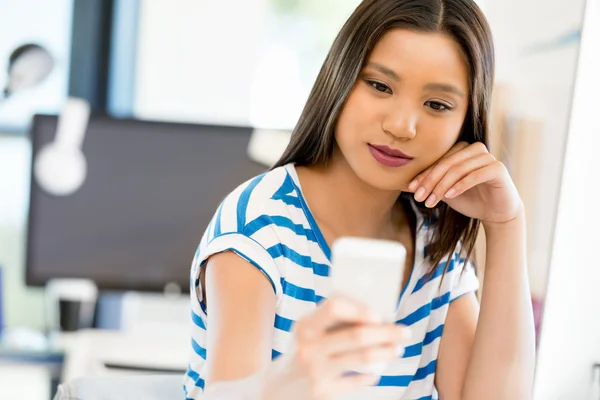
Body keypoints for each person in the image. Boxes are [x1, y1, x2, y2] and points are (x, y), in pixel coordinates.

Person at [184, 0, 536, 398]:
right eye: (380, 86)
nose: (401, 126)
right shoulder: (261, 225)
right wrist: (294, 379)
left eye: (437, 105)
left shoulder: (438, 244)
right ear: (340, 78)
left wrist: (506, 225)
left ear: (465, 124)